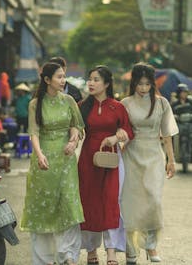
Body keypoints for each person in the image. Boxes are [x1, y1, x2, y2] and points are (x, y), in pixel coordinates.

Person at [20, 62, 85, 265]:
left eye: (64, 76)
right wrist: (39, 155)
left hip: (66, 160)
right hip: (44, 161)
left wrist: (72, 142)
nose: (63, 80)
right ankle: (45, 259)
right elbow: (34, 133)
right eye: (59, 77)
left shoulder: (69, 101)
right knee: (44, 206)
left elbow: (76, 125)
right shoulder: (35, 104)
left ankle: (68, 255)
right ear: (47, 80)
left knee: (68, 203)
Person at [121, 62, 178, 264]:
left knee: (154, 200)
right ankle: (131, 248)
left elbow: (168, 134)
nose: (143, 88)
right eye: (140, 83)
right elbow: (122, 132)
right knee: (130, 202)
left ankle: (151, 245)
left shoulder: (162, 103)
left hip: (154, 154)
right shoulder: (125, 104)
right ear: (134, 83)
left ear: (152, 83)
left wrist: (171, 160)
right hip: (131, 154)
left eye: (147, 83)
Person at [77, 65, 134, 265]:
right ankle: (91, 250)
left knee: (111, 202)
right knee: (89, 202)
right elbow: (74, 130)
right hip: (87, 159)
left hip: (111, 159)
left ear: (107, 84)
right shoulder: (83, 106)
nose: (91, 83)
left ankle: (111, 252)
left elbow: (128, 130)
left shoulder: (117, 107)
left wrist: (115, 137)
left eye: (96, 80)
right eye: (89, 79)